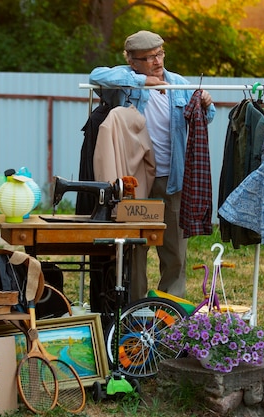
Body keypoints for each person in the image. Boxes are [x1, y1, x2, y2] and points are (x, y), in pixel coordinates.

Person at [89, 30, 216, 302]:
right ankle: (137, 307)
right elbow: (95, 75)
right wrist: (139, 80)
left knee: (175, 250)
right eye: (148, 57)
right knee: (136, 248)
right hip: (136, 181)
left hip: (173, 177)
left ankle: (170, 310)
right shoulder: (126, 81)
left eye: (159, 53)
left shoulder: (179, 84)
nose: (157, 61)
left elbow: (208, 116)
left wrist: (207, 102)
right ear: (132, 61)